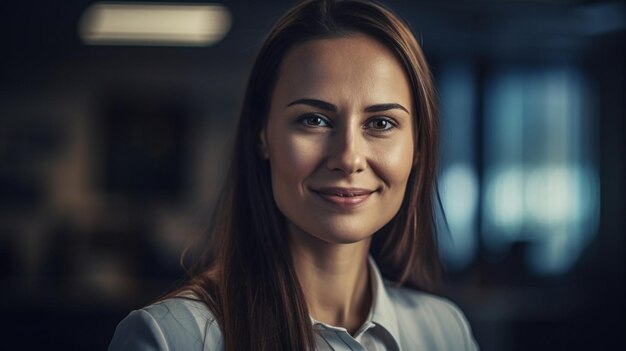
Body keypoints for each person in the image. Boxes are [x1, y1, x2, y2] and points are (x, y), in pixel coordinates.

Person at [108, 0, 479, 350]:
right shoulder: (171, 337)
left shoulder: (445, 330)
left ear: (418, 147)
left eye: (381, 123)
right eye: (314, 120)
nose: (348, 158)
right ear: (262, 135)